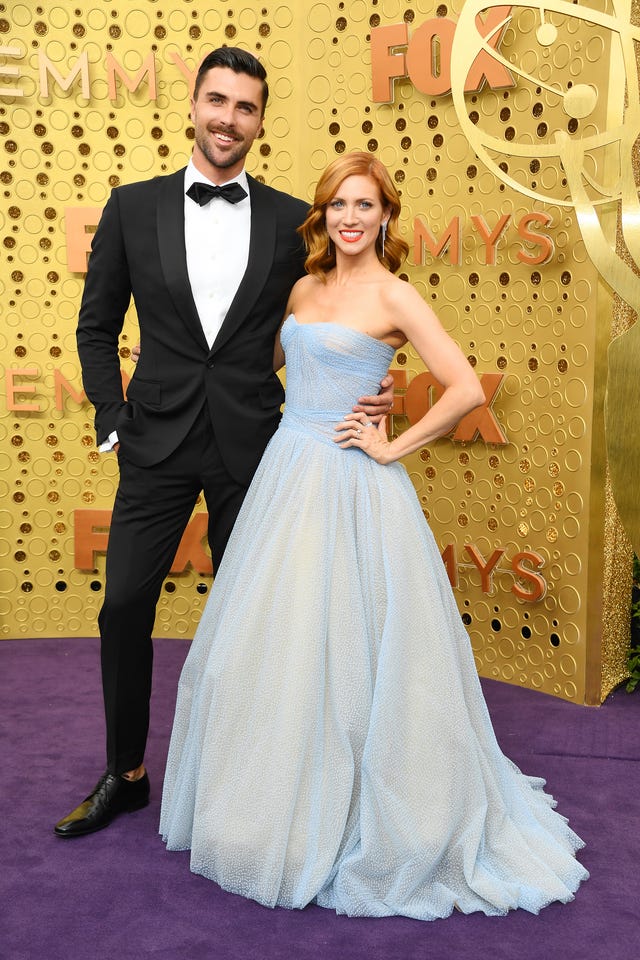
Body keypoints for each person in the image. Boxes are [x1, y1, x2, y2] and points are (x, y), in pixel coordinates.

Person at [159, 151, 588, 919]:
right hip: (288, 473)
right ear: (321, 217)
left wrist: (392, 439)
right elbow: (265, 367)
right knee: (279, 646)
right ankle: (272, 810)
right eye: (336, 206)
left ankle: (362, 808)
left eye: (364, 205)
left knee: (359, 650)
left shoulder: (397, 294)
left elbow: (462, 387)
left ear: (387, 215)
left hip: (356, 484)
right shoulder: (301, 287)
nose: (349, 218)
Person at [54, 50, 392, 839]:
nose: (227, 119)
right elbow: (96, 326)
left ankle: (253, 779)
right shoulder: (131, 207)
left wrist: (365, 384)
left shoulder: (289, 220)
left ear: (260, 123)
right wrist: (111, 414)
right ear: (194, 106)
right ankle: (126, 775)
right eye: (217, 101)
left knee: (264, 618)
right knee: (123, 609)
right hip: (156, 444)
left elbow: (334, 307)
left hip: (256, 449)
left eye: (245, 107)